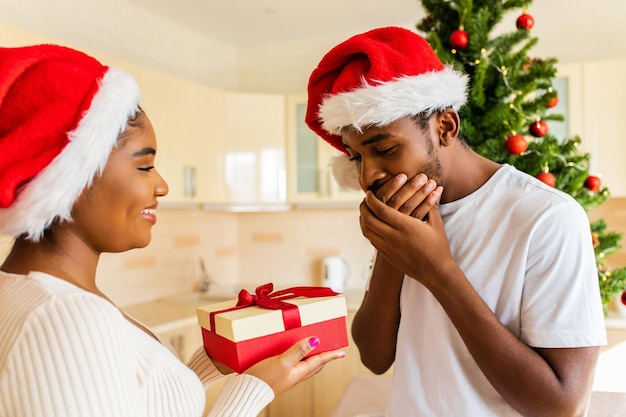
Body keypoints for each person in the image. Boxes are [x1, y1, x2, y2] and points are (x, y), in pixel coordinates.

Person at [0, 44, 344, 417]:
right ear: (73, 177)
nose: (162, 186)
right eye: (145, 166)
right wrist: (253, 392)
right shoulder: (66, 317)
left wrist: (210, 364)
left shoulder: (31, 293)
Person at [305, 26, 606, 417]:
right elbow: (374, 356)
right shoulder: (407, 212)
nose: (367, 177)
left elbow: (560, 405)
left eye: (385, 148)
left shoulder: (547, 218)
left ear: (445, 127)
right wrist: (392, 251)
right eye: (356, 157)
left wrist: (439, 270)